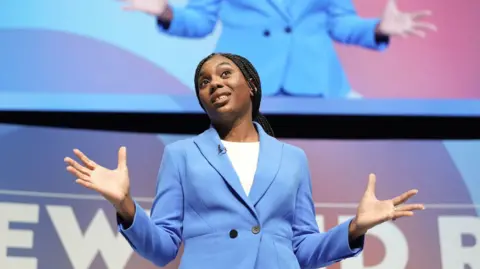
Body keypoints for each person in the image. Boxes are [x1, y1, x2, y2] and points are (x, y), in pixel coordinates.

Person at [64, 53, 424, 269]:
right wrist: (126, 206)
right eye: (204, 82)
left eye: (224, 74)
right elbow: (162, 249)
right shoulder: (181, 155)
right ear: (202, 99)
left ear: (250, 85)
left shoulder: (292, 159)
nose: (214, 84)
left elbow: (303, 250)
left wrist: (354, 229)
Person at [118, 0, 436, 98]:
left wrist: (377, 30)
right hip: (243, 82)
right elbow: (200, 20)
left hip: (314, 84)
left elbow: (341, 24)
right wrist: (166, 13)